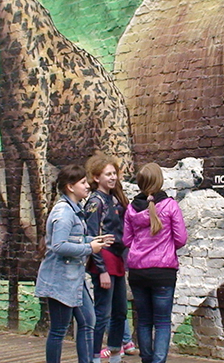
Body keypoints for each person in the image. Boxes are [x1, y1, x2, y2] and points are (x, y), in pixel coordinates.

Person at [36, 165, 111, 363]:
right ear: (70, 187)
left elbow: (75, 238)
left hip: (75, 279)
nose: (88, 186)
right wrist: (90, 249)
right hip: (60, 279)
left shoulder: (73, 209)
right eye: (83, 183)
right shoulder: (64, 212)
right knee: (59, 329)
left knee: (88, 321)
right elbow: (59, 246)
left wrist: (94, 240)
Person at [123, 163, 187, 363]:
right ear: (160, 181)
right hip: (163, 272)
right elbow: (181, 239)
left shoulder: (131, 209)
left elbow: (126, 240)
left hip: (138, 272)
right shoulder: (170, 206)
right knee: (161, 322)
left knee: (143, 321)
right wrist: (165, 246)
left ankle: (146, 360)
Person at [84, 154, 129, 363]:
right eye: (108, 174)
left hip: (118, 258)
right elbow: (93, 237)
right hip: (105, 259)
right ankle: (94, 355)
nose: (112, 178)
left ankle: (115, 353)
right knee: (102, 312)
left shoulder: (115, 198)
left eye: (114, 174)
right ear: (96, 177)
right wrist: (101, 269)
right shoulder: (95, 201)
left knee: (120, 310)